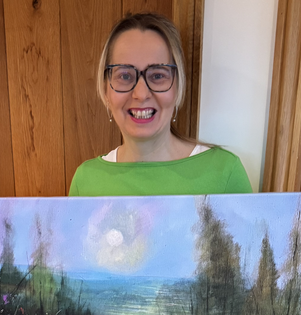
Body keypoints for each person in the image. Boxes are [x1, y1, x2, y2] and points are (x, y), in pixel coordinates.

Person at [68, 12, 252, 197]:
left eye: (157, 75)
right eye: (124, 76)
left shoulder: (225, 174)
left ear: (178, 86)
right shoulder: (85, 181)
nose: (141, 94)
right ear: (105, 89)